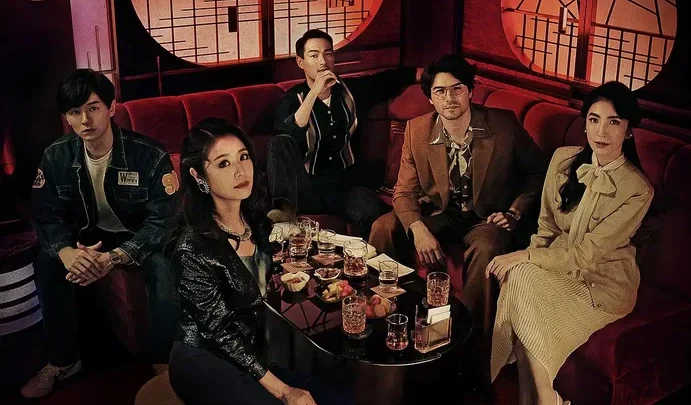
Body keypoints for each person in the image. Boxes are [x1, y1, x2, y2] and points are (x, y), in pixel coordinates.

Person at [368, 53, 547, 382]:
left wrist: (515, 211)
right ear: (430, 97)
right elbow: (404, 193)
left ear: (470, 91)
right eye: (440, 91)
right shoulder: (417, 130)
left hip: (487, 218)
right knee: (384, 226)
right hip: (440, 213)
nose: (449, 98)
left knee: (487, 249)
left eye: (457, 89)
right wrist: (418, 227)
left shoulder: (503, 125)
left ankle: (468, 349)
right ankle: (385, 314)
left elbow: (538, 172)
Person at [487, 81, 654, 405]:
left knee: (520, 277)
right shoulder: (563, 160)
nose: (601, 132)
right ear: (585, 123)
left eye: (613, 121)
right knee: (520, 279)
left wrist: (525, 258)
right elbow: (547, 226)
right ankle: (540, 398)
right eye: (594, 119)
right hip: (558, 267)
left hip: (602, 285)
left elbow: (587, 253)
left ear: (629, 130)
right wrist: (529, 257)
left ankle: (541, 398)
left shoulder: (638, 189)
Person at [168, 118, 353, 405]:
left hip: (251, 354)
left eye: (243, 157)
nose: (240, 171)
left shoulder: (255, 224)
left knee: (341, 397)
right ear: (198, 175)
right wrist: (284, 390)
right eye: (223, 163)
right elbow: (219, 333)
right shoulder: (192, 247)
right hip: (205, 358)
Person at [23, 69, 179, 398]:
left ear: (111, 107)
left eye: (93, 108)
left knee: (162, 264)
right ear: (66, 116)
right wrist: (67, 252)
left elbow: (162, 222)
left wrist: (114, 258)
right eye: (74, 111)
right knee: (47, 263)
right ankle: (64, 360)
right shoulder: (56, 155)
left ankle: (164, 359)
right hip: (85, 235)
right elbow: (46, 214)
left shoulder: (149, 155)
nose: (85, 120)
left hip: (137, 236)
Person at [267, 29, 421, 238]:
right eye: (314, 55)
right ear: (300, 62)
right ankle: (286, 216)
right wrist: (314, 92)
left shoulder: (350, 91)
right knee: (278, 142)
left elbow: (386, 81)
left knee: (377, 215)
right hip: (304, 189)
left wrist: (426, 76)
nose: (323, 61)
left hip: (343, 187)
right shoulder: (291, 99)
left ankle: (368, 258)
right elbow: (286, 139)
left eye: (328, 54)